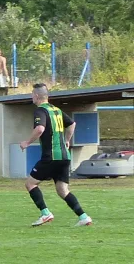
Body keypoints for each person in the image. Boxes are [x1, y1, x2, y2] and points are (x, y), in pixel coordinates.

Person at [19, 83, 92, 227]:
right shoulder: (57, 110)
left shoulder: (40, 111)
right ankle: (84, 217)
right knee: (62, 190)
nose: (31, 96)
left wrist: (27, 142)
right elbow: (72, 124)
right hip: (65, 157)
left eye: (32, 94)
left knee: (30, 183)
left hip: (51, 156)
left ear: (37, 96)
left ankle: (45, 214)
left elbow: (40, 129)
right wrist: (66, 140)